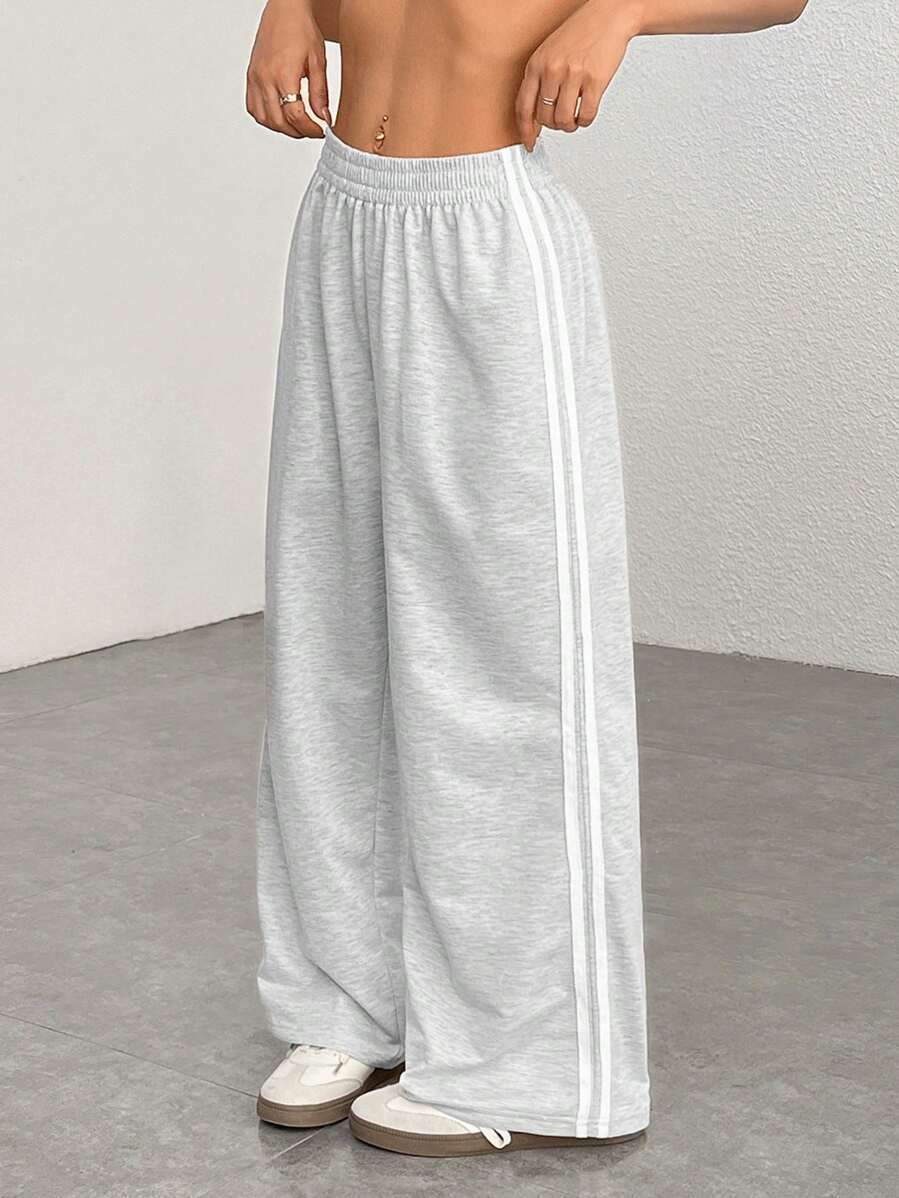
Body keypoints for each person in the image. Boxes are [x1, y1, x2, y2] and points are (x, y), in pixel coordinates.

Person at [247, 0, 808, 1159]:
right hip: (345, 210)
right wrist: (288, 4)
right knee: (330, 639)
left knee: (507, 662)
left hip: (486, 232)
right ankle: (346, 1000)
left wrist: (621, 12)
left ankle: (523, 1057)